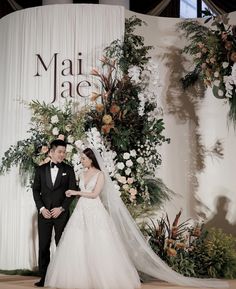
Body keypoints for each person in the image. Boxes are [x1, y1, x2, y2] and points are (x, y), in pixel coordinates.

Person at [45, 147, 228, 289]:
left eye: (83, 158)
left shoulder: (100, 175)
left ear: (91, 159)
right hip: (81, 211)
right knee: (79, 242)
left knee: (99, 242)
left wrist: (76, 191)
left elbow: (94, 194)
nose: (81, 160)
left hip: (93, 209)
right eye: (81, 158)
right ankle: (80, 277)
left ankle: (104, 278)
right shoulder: (81, 173)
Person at [32, 139, 77, 287]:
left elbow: (71, 192)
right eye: (60, 152)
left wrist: (62, 208)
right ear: (51, 152)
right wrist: (42, 209)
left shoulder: (69, 170)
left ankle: (63, 277)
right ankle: (44, 278)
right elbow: (36, 191)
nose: (62, 154)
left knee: (62, 245)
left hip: (61, 214)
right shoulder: (40, 170)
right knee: (43, 246)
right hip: (44, 214)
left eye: (64, 152)